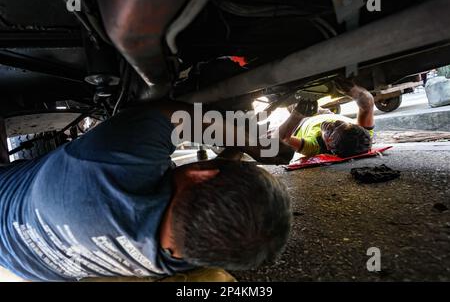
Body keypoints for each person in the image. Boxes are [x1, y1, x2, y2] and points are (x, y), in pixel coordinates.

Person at [0, 101, 292, 281]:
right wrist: (234, 152)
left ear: (201, 171)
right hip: (23, 262)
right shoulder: (181, 257)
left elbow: (169, 116)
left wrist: (256, 142)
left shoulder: (105, 168)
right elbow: (211, 186)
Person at [278, 77, 375, 158]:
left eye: (331, 132)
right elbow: (368, 103)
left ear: (329, 147)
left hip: (303, 120)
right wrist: (352, 90)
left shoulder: (314, 147)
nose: (331, 124)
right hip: (324, 114)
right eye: (339, 123)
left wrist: (296, 115)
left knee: (287, 95)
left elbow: (281, 139)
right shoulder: (363, 136)